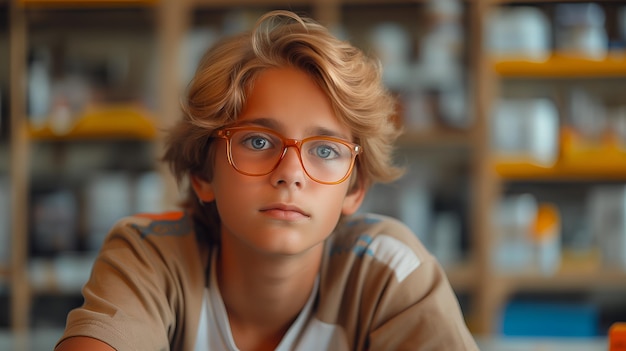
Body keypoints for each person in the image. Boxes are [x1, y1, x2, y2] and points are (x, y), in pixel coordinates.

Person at [55, 10, 478, 351]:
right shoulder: (150, 257)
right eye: (257, 140)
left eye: (326, 149)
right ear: (204, 173)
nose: (290, 173)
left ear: (354, 188)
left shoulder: (390, 271)